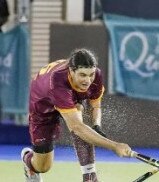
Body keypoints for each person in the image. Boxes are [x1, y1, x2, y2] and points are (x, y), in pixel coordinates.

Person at [21, 49, 132, 182]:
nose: (88, 80)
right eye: (83, 75)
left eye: (90, 75)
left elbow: (95, 105)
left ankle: (89, 177)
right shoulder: (57, 81)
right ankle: (28, 161)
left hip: (69, 95)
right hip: (43, 105)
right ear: (71, 71)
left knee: (79, 111)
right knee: (43, 167)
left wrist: (96, 125)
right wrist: (115, 146)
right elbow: (77, 127)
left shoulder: (96, 75)